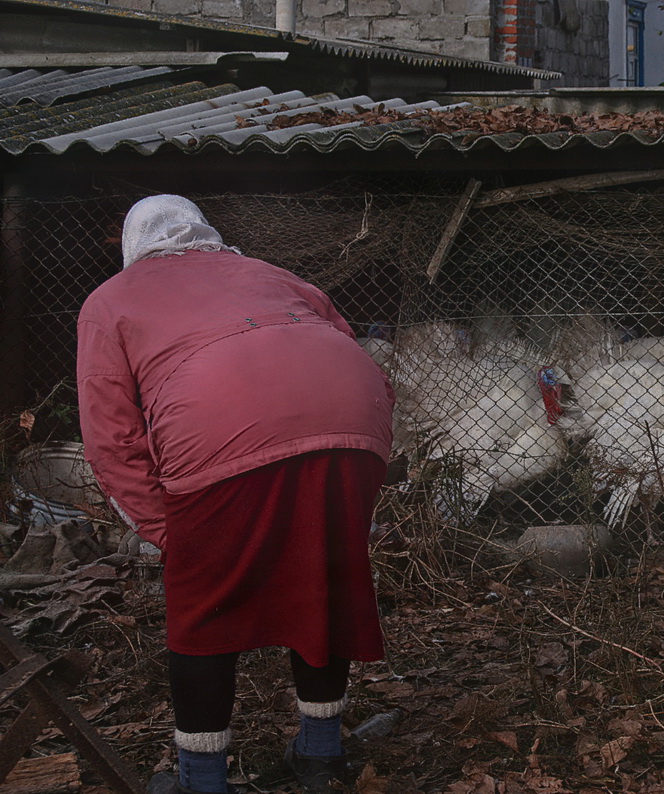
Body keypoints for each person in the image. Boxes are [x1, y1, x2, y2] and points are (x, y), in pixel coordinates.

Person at [76, 195, 395, 794]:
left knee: (204, 612)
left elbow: (109, 435)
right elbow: (359, 360)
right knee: (322, 582)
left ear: (132, 245)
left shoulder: (111, 300)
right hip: (354, 421)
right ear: (206, 232)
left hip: (223, 429)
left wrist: (166, 530)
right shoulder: (275, 276)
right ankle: (322, 759)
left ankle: (202, 781)